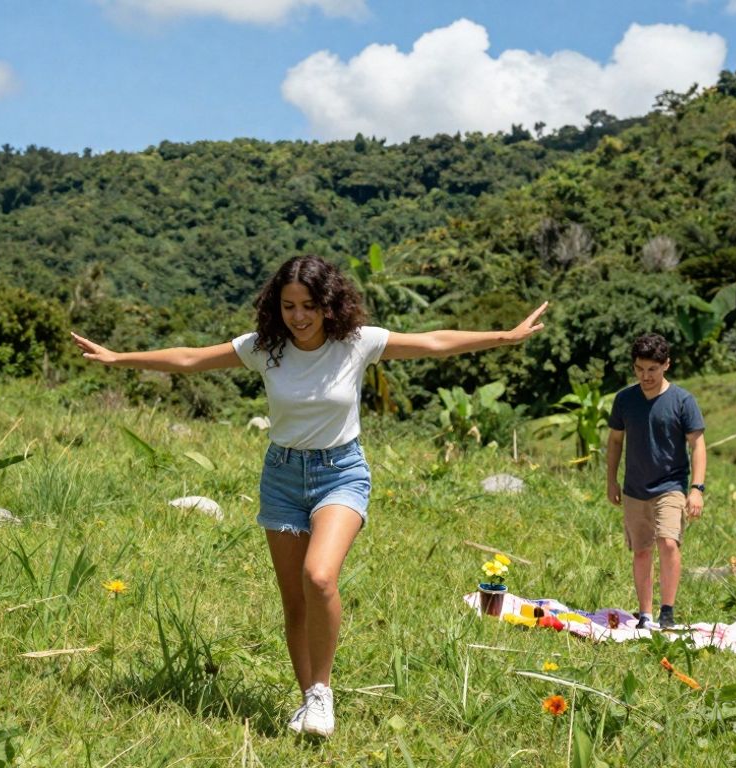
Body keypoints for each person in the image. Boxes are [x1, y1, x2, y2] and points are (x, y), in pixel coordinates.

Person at [70, 255, 548, 738]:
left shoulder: (356, 344)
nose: (298, 316)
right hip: (281, 477)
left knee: (319, 577)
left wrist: (503, 337)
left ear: (329, 305)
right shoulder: (265, 348)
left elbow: (433, 342)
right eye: (288, 306)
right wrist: (118, 358)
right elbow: (191, 357)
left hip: (340, 472)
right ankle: (309, 701)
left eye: (308, 306)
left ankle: (323, 691)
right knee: (295, 600)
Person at [604, 333, 707, 630]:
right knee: (641, 550)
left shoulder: (683, 401)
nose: (645, 376)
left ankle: (667, 611)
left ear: (666, 366)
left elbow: (698, 445)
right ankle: (645, 614)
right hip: (635, 488)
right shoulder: (624, 399)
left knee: (668, 542)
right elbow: (614, 442)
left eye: (652, 369)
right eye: (639, 369)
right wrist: (611, 481)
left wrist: (696, 489)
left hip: (671, 486)